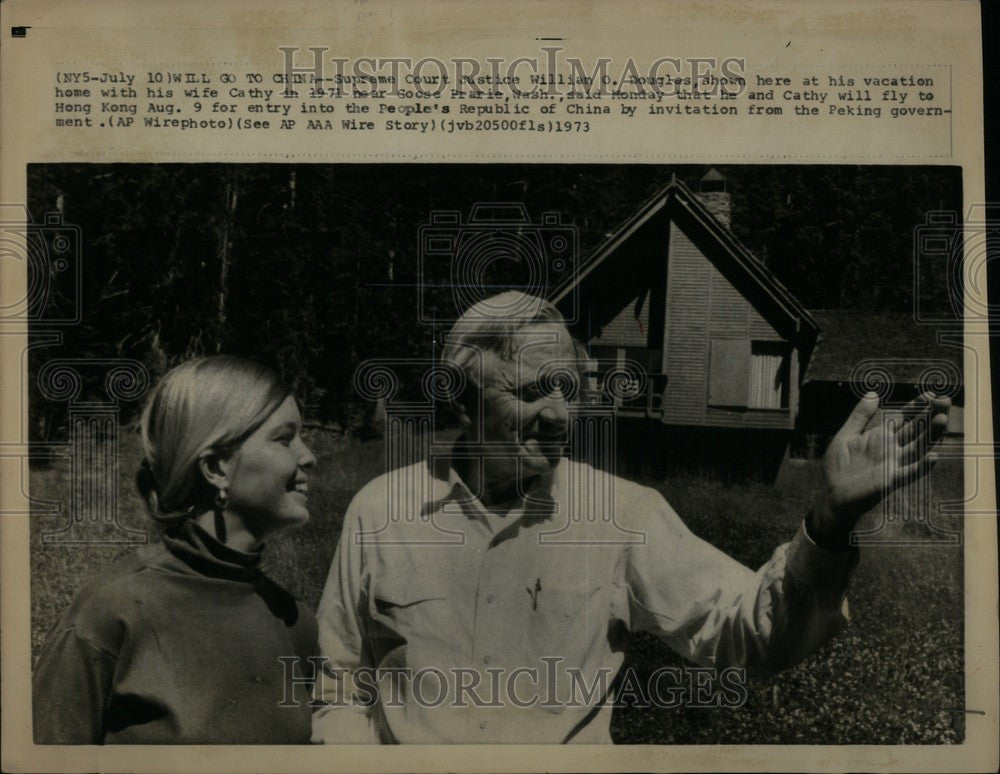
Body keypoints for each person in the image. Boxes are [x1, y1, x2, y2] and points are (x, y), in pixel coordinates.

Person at [311, 292, 950, 744]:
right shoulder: (380, 512)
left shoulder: (623, 516)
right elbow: (341, 685)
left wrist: (831, 519)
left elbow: (750, 635)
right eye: (534, 390)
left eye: (570, 388)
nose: (561, 416)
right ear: (463, 396)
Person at [33, 356, 319, 744]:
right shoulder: (110, 611)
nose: (309, 457)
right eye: (284, 438)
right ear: (216, 467)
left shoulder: (294, 621)